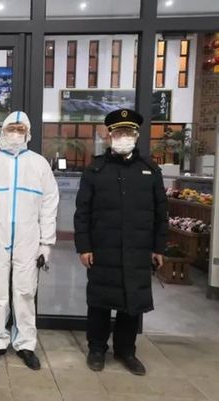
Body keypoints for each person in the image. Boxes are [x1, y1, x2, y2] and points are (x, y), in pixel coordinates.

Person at [74, 109, 168, 376]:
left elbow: (161, 211)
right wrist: (84, 246)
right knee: (100, 302)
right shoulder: (95, 170)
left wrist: (158, 247)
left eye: (128, 132)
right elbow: (82, 212)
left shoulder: (150, 170)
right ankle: (96, 349)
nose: (124, 136)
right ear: (109, 135)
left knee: (132, 302)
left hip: (138, 249)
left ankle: (126, 351)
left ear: (136, 135)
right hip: (103, 248)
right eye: (119, 132)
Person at [0, 111, 59, 370]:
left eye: (21, 129)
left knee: (25, 292)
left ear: (28, 133)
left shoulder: (39, 165)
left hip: (28, 239)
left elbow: (49, 205)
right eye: (12, 128)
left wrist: (46, 242)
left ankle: (25, 344)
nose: (16, 134)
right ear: (3, 130)